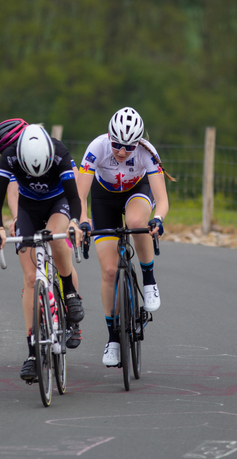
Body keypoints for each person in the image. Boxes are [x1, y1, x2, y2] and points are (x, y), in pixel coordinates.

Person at [77, 107, 175, 367]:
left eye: (129, 147)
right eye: (117, 144)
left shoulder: (147, 152)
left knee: (135, 222)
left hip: (136, 191)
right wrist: (83, 219)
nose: (121, 151)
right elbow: (80, 196)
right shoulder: (97, 147)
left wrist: (158, 219)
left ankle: (149, 280)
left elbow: (162, 200)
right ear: (109, 137)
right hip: (103, 197)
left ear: (138, 143)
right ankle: (112, 339)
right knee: (109, 271)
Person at [0, 123, 84, 381]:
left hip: (58, 202)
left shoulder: (59, 151)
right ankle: (32, 353)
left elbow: (75, 198)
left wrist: (75, 222)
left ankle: (70, 292)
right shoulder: (10, 154)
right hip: (28, 208)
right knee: (31, 279)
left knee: (54, 238)